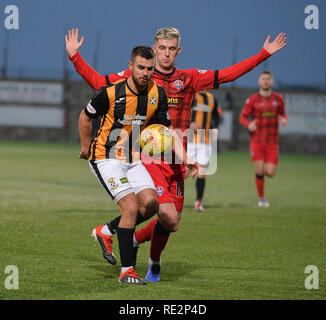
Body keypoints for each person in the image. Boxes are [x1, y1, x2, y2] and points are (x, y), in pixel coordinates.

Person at [66, 27, 286, 281]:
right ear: (155, 48)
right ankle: (140, 258)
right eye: (162, 48)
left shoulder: (189, 78)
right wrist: (75, 58)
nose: (166, 54)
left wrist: (262, 55)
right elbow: (99, 83)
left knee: (172, 223)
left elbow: (226, 75)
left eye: (172, 49)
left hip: (177, 155)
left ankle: (127, 237)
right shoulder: (139, 74)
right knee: (160, 211)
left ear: (178, 50)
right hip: (147, 156)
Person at [78, 46, 194, 285]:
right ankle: (127, 271)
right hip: (105, 157)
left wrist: (185, 158)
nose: (146, 73)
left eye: (150, 69)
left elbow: (167, 130)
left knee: (151, 204)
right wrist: (83, 147)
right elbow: (84, 116)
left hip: (131, 158)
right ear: (130, 67)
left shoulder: (157, 95)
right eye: (141, 67)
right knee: (130, 209)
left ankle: (106, 231)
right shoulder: (111, 94)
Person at [239, 70, 287, 207]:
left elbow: (283, 114)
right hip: (257, 141)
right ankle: (261, 198)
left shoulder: (278, 99)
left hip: (272, 141)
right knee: (259, 170)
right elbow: (242, 117)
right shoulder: (253, 100)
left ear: (272, 82)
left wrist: (283, 119)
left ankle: (261, 178)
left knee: (270, 173)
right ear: (259, 82)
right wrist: (249, 124)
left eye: (268, 79)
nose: (265, 81)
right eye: (263, 79)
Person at [187, 90, 222, 212]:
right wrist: (190, 124)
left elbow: (216, 116)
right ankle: (170, 198)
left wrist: (215, 128)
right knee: (183, 173)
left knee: (201, 171)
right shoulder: (190, 95)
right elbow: (180, 114)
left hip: (205, 141)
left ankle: (198, 203)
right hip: (189, 140)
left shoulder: (211, 98)